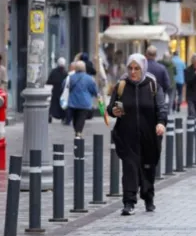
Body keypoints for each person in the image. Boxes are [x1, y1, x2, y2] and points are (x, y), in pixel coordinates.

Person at [109, 54, 168, 216]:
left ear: (143, 68)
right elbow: (111, 107)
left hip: (149, 136)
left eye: (137, 68)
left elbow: (161, 107)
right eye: (130, 68)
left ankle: (148, 198)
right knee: (130, 168)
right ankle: (129, 202)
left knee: (148, 168)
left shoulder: (152, 85)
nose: (133, 72)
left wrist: (161, 122)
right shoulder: (121, 85)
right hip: (127, 136)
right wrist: (113, 111)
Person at [65, 60, 99, 138]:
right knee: (81, 117)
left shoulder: (70, 77)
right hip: (84, 102)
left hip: (73, 102)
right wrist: (97, 95)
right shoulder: (89, 78)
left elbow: (64, 86)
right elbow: (94, 90)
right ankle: (78, 132)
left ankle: (77, 131)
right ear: (84, 68)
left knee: (75, 118)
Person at [47, 58, 68, 123]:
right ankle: (63, 117)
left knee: (54, 104)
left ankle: (50, 115)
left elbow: (49, 81)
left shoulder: (53, 72)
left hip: (55, 91)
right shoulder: (65, 72)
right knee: (63, 105)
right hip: (63, 91)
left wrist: (54, 82)